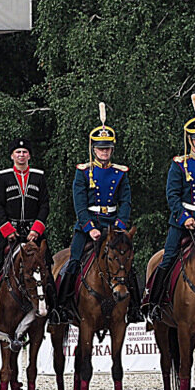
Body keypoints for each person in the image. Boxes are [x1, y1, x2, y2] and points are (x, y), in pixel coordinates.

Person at [52, 112, 142, 324]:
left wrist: (120, 225)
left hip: (113, 226)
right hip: (89, 225)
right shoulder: (83, 172)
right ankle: (61, 308)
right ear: (94, 149)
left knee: (127, 263)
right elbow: (79, 203)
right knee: (73, 262)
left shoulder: (120, 173)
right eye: (101, 148)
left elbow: (126, 202)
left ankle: (136, 309)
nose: (104, 152)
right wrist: (88, 227)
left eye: (108, 148)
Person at [142, 107, 195, 323]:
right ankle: (153, 303)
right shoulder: (179, 165)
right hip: (184, 221)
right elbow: (171, 195)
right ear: (190, 140)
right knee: (168, 258)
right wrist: (184, 217)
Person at [0, 139, 51, 328]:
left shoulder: (38, 177)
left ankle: (54, 309)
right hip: (9, 233)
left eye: (24, 152)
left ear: (29, 155)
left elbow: (45, 205)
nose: (21, 155)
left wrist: (36, 229)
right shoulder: (4, 177)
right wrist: (7, 230)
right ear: (12, 156)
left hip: (33, 233)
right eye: (18, 152)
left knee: (47, 265)